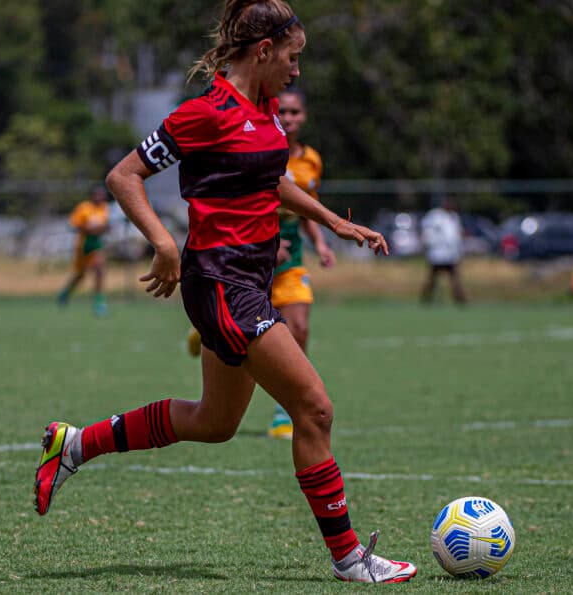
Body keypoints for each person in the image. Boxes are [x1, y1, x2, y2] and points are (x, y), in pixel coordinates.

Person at [34, 0, 416, 583]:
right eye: (292, 58)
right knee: (314, 410)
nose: (296, 71)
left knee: (215, 422)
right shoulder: (206, 113)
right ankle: (349, 559)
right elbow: (123, 175)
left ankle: (76, 445)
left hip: (247, 282)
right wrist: (164, 243)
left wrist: (333, 222)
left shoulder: (263, 110)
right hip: (222, 285)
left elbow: (274, 179)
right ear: (264, 51)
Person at [186, 86, 335, 441]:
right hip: (252, 256)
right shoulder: (261, 146)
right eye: (282, 111)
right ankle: (207, 331)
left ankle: (285, 411)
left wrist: (321, 242)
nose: (288, 118)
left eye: (295, 112)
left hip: (292, 258)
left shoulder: (311, 159)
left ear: (305, 116)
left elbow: (307, 205)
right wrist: (268, 240)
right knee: (251, 332)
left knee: (298, 326)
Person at [57, 184, 111, 316]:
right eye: (97, 195)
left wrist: (102, 229)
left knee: (99, 269)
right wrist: (88, 229)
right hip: (83, 245)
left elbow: (106, 226)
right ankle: (65, 293)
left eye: (102, 195)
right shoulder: (84, 207)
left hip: (96, 244)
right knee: (80, 275)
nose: (99, 197)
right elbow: (74, 225)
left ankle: (99, 302)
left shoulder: (105, 208)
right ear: (92, 196)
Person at [420, 196, 467, 305]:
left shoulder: (454, 217)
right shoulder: (435, 215)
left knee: (455, 278)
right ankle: (426, 299)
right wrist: (428, 245)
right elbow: (427, 233)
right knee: (432, 278)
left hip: (450, 254)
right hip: (437, 254)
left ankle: (460, 300)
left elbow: (457, 235)